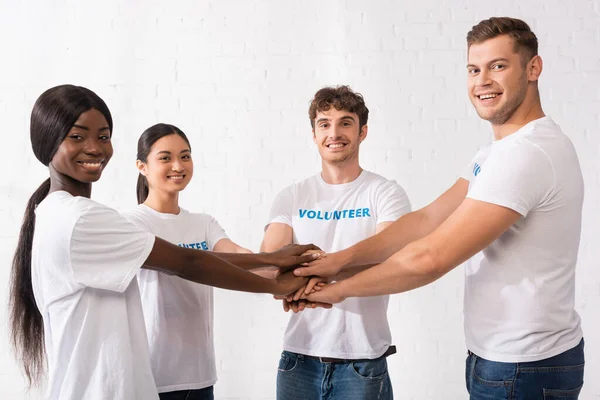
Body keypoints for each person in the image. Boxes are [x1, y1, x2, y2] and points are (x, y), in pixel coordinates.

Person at [303, 17, 585, 399]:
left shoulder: (527, 154)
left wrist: (337, 291)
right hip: (505, 359)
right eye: (474, 69)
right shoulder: (496, 152)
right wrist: (337, 261)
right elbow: (427, 219)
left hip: (524, 365)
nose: (482, 80)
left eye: (498, 66)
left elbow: (431, 257)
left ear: (533, 68)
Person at [8, 85, 317, 400]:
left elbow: (214, 257)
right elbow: (188, 263)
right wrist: (278, 284)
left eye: (103, 136)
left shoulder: (53, 212)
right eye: (76, 136)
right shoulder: (85, 219)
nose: (94, 148)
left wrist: (276, 261)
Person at [261, 85, 411, 400]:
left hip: (362, 362)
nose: (335, 132)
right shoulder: (292, 196)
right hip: (297, 361)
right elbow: (269, 265)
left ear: (362, 132)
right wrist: (335, 270)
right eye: (324, 123)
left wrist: (314, 271)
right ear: (314, 134)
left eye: (345, 122)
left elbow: (391, 260)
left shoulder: (385, 193)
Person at [123, 123, 290, 400]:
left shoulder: (203, 223)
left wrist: (292, 272)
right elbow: (194, 263)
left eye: (185, 156)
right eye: (165, 158)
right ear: (142, 167)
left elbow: (238, 256)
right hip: (153, 380)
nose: (178, 165)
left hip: (200, 377)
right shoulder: (133, 224)